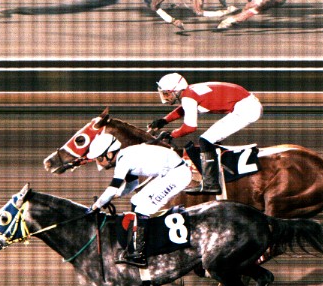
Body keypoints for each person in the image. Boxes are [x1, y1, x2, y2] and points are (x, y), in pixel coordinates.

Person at [84, 132, 193, 266]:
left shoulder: (123, 160)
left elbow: (112, 188)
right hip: (170, 173)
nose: (99, 163)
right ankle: (135, 243)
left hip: (177, 175)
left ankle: (139, 254)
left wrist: (95, 206)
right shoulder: (124, 156)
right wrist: (115, 196)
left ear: (110, 154)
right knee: (136, 200)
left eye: (100, 158)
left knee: (143, 208)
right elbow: (132, 184)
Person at [148, 74, 263, 197]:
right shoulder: (189, 92)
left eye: (167, 93)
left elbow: (190, 127)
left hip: (247, 109)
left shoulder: (188, 97)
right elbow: (183, 109)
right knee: (209, 139)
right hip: (247, 104)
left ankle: (211, 184)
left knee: (205, 140)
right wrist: (164, 120)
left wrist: (172, 135)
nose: (166, 97)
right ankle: (217, 170)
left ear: (176, 91)